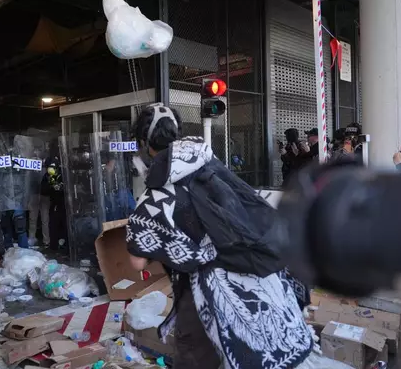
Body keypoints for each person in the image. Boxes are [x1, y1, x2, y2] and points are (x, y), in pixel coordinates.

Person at [126, 103, 343, 369]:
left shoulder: (156, 195)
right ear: (177, 133)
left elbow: (137, 262)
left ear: (144, 143)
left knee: (195, 356)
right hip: (254, 279)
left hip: (201, 295)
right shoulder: (209, 162)